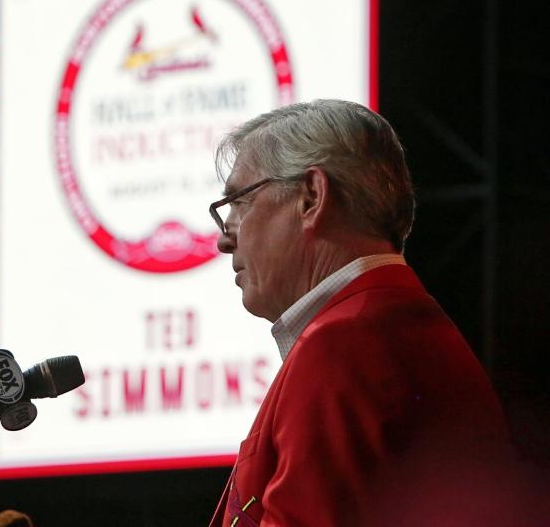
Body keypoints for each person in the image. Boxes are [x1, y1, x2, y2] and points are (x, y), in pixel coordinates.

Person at [207, 100, 511, 526]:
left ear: (311, 197)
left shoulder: (344, 344)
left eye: (238, 203)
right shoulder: (398, 326)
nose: (224, 240)